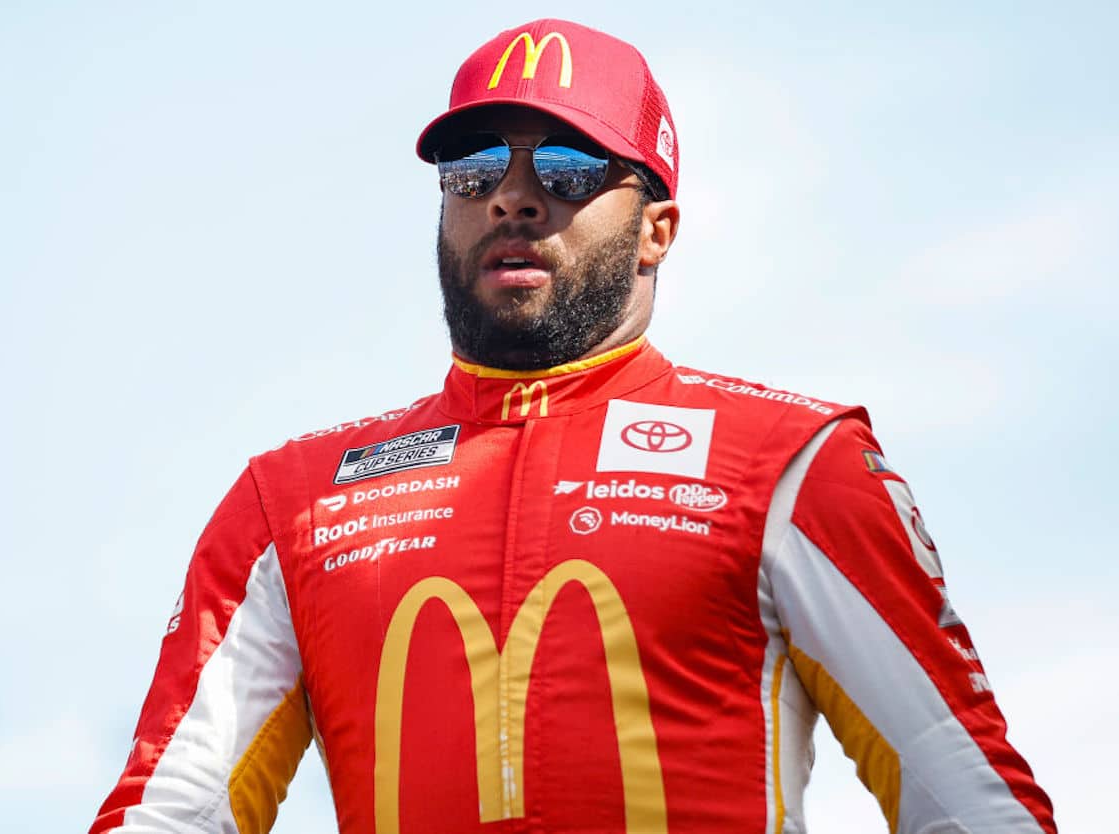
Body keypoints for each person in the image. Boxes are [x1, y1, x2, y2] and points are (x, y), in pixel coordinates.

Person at [90, 18, 1056, 834]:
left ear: (655, 231)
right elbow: (171, 806)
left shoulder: (793, 463)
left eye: (566, 164)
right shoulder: (292, 496)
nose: (514, 194)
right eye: (474, 169)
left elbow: (966, 798)